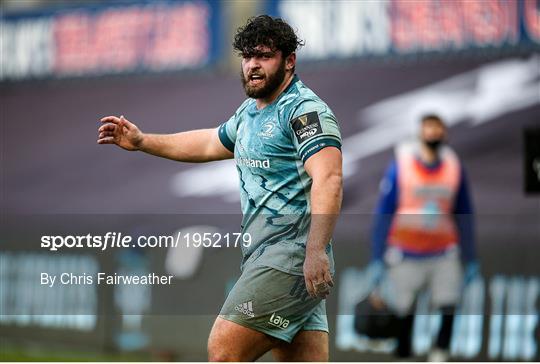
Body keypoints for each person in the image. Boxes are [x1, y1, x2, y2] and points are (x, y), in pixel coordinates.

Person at [97, 15, 342, 361]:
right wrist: (142, 141)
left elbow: (329, 178)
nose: (253, 65)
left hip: (290, 260)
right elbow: (210, 142)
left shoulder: (304, 112)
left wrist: (315, 251)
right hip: (271, 259)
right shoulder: (249, 114)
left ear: (289, 61)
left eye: (264, 56)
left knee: (225, 349)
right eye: (247, 56)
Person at [368, 114, 478, 361]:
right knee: (404, 312)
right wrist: (377, 256)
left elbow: (464, 212)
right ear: (419, 133)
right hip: (406, 252)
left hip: (443, 251)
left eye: (437, 129)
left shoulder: (452, 166)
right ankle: (404, 354)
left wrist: (470, 256)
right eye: (428, 129)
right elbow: (384, 212)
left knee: (448, 305)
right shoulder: (403, 166)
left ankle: (440, 353)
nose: (433, 134)